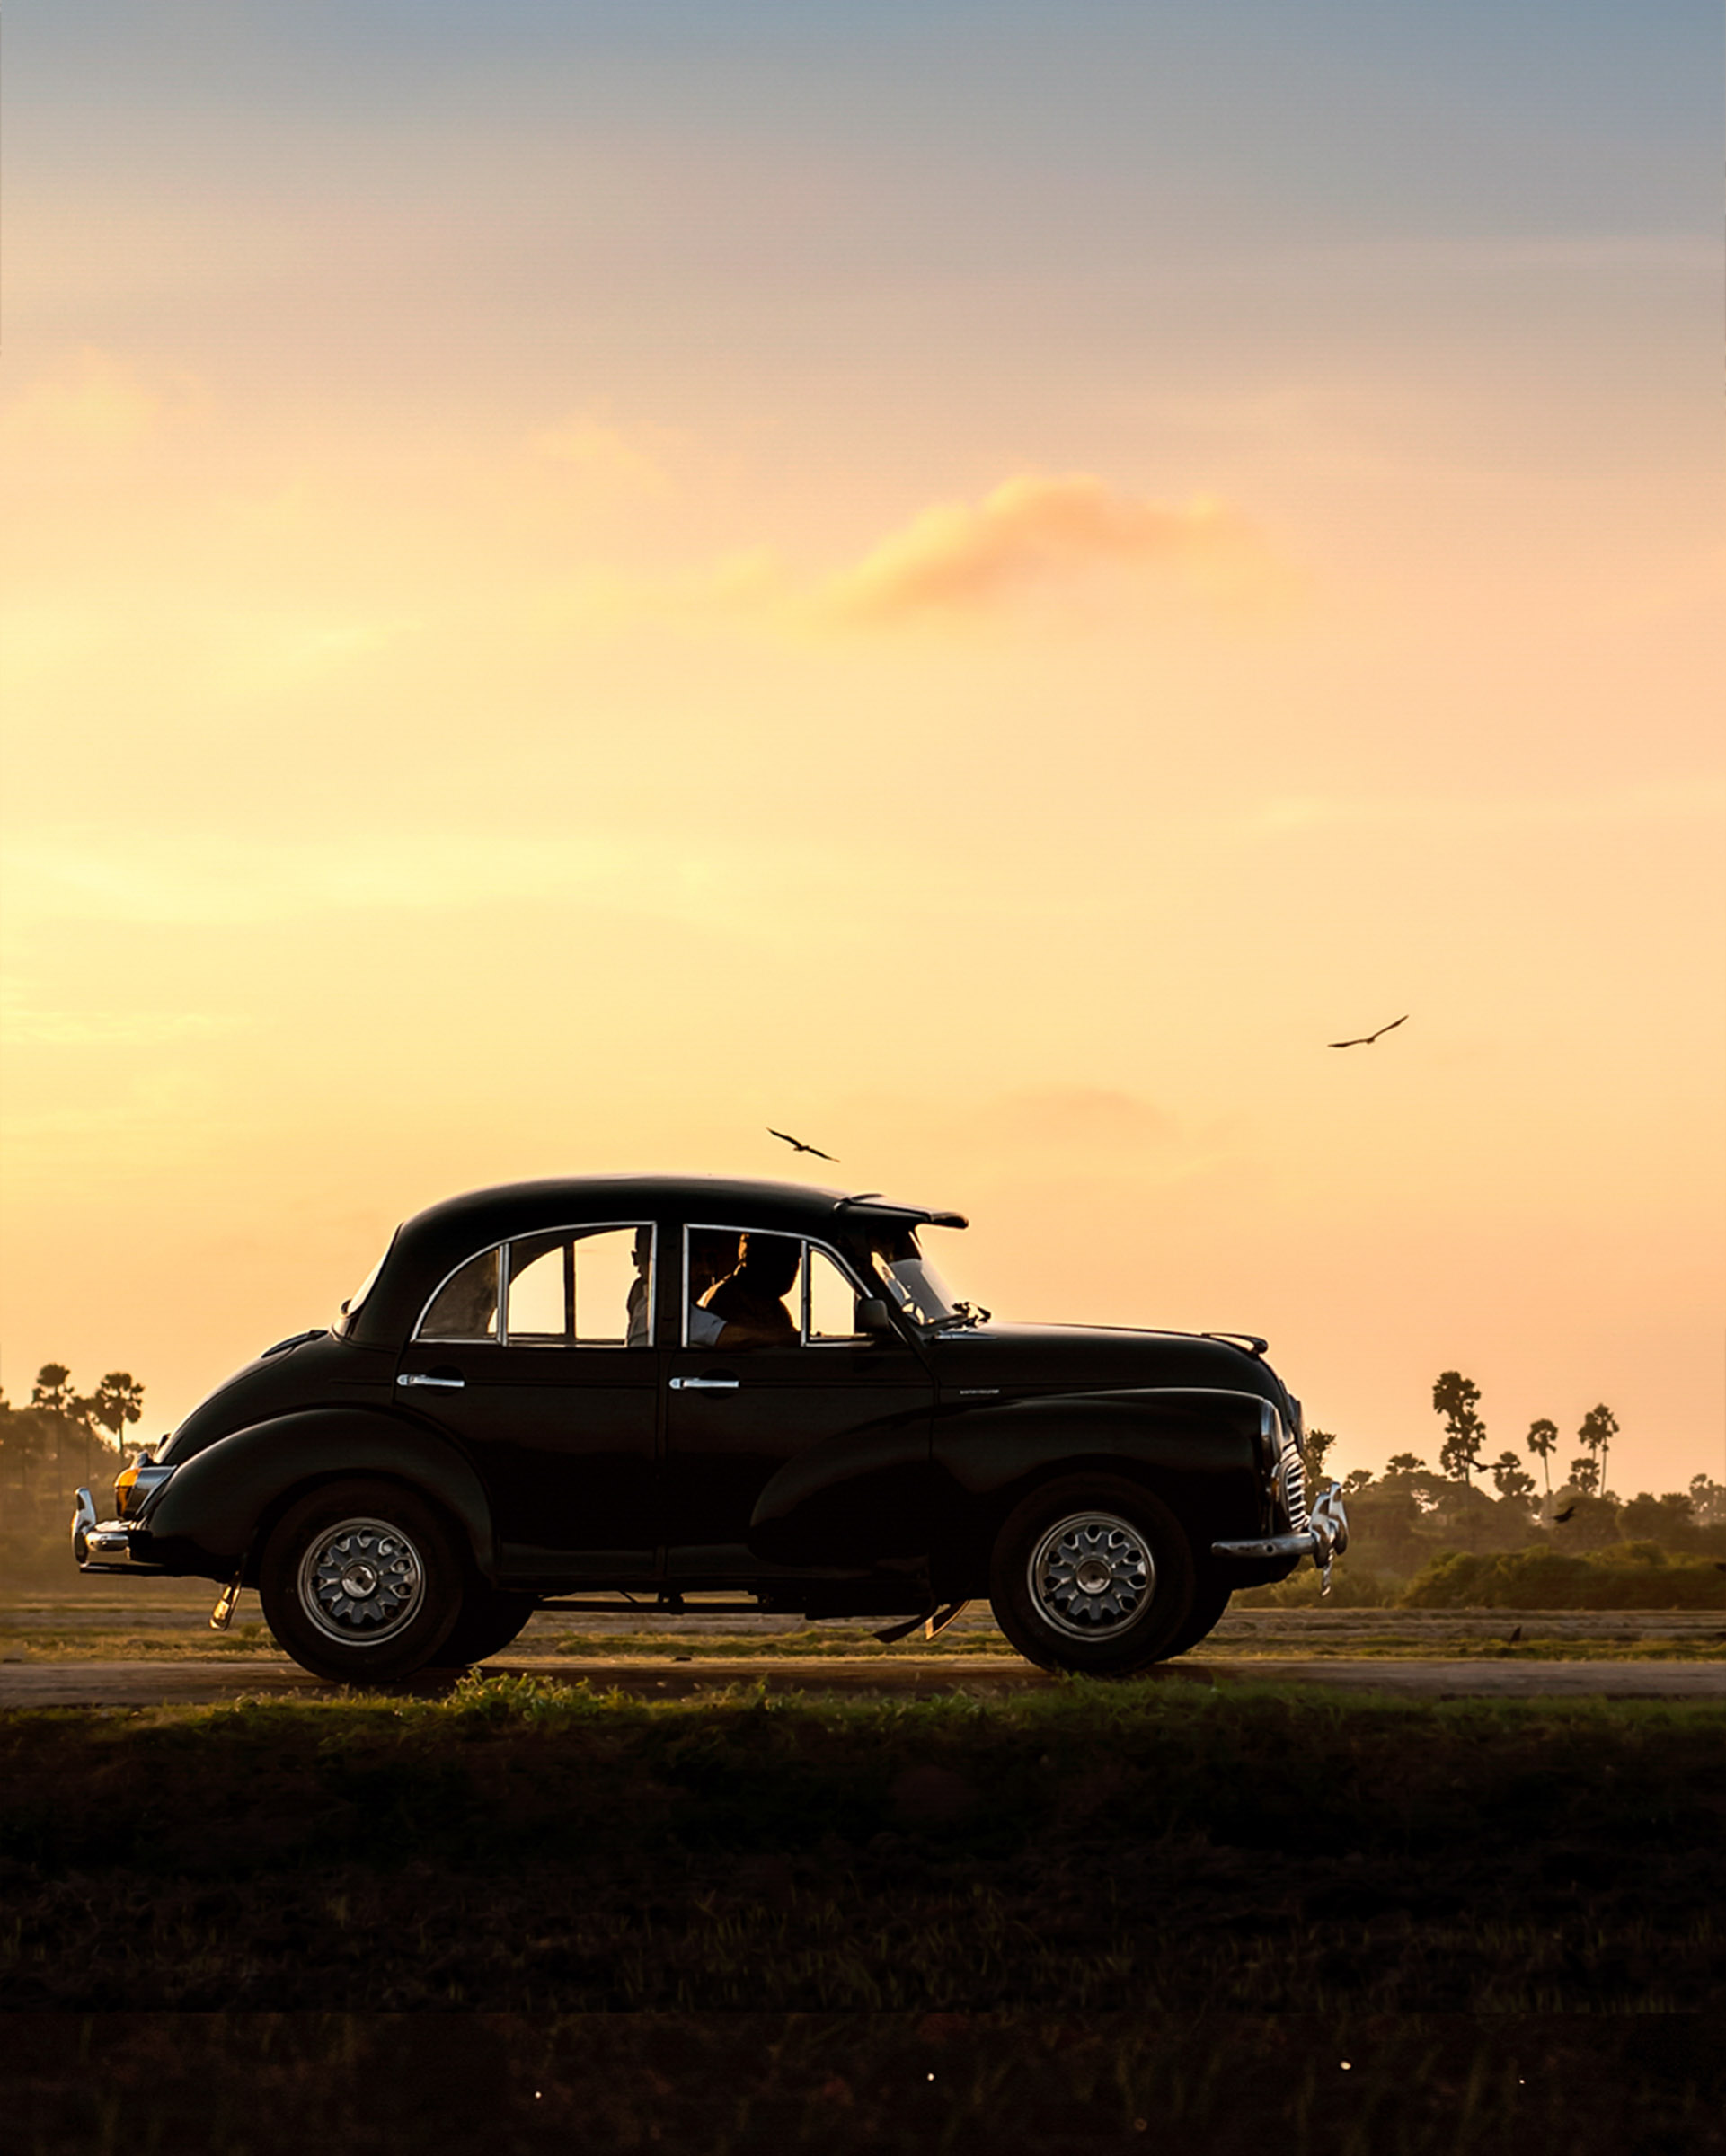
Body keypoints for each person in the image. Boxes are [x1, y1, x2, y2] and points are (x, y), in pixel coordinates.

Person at [699, 1233, 799, 1345]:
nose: (793, 1269)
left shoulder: (770, 1303)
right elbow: (749, 1342)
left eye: (796, 1261)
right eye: (786, 1260)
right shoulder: (728, 1298)